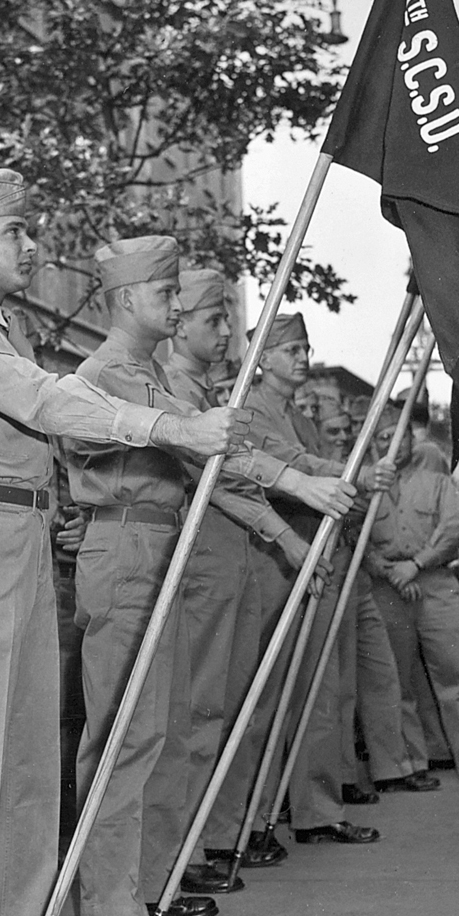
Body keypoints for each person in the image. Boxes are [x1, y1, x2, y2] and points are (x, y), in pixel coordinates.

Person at [0, 170, 250, 916]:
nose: (30, 244)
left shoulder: (3, 328)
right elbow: (49, 401)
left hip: (17, 544)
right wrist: (171, 428)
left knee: (24, 778)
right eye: (12, 232)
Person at [163, 270, 356, 869]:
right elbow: (224, 475)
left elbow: (231, 479)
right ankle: (199, 846)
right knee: (209, 709)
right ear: (179, 322)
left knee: (242, 704)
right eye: (215, 320)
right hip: (212, 561)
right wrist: (287, 527)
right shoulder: (178, 389)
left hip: (247, 555)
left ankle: (227, 832)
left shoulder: (208, 395)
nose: (228, 333)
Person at [243, 312, 393, 847]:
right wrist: (350, 473)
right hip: (275, 558)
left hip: (314, 557)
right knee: (270, 694)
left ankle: (316, 810)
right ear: (262, 359)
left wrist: (356, 479)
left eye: (305, 348)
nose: (302, 358)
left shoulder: (299, 416)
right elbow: (290, 464)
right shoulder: (253, 407)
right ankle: (256, 818)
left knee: (318, 692)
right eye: (290, 350)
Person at [366, 406, 459, 785]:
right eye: (383, 437)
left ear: (414, 437)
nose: (394, 443)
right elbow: (355, 535)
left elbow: (453, 525)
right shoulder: (369, 487)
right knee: (399, 679)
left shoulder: (437, 481)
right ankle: (415, 762)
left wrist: (417, 563)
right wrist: (388, 569)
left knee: (457, 671)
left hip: (433, 582)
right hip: (387, 585)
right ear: (374, 445)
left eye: (402, 434)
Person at [316, 396, 440, 797]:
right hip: (328, 572)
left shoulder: (363, 468)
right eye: (332, 431)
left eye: (346, 430)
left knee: (382, 674)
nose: (341, 437)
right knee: (337, 685)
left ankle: (392, 768)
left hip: (361, 578)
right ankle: (346, 778)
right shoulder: (313, 464)